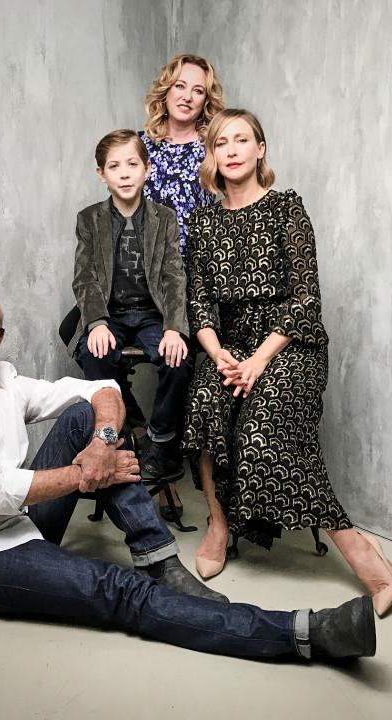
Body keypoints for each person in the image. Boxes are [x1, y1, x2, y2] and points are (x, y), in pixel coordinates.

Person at [0, 284, 377, 662]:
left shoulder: (4, 380)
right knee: (118, 591)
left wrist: (101, 444)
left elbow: (101, 388)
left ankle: (158, 557)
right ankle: (303, 634)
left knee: (87, 415)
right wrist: (89, 476)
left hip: (22, 526)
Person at [183, 109, 392, 617]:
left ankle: (362, 552)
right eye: (222, 142)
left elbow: (305, 298)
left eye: (243, 140)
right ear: (213, 156)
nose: (232, 149)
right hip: (227, 345)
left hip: (290, 345)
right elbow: (198, 303)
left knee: (263, 428)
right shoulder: (204, 219)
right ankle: (219, 523)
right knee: (205, 399)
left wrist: (259, 360)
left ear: (261, 149)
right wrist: (218, 353)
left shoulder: (287, 209)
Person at [68, 129, 193, 484]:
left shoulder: (164, 218)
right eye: (114, 166)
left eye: (132, 164)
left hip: (153, 313)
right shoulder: (89, 219)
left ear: (147, 169)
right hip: (112, 314)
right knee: (95, 356)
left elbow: (172, 276)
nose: (124, 173)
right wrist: (96, 323)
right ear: (101, 174)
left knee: (179, 359)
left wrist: (172, 327)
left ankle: (158, 440)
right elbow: (85, 277)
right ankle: (128, 426)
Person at [138, 53, 225, 519]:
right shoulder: (140, 145)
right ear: (165, 91)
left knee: (181, 356)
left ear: (206, 99)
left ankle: (160, 444)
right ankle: (138, 441)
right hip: (139, 277)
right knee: (81, 337)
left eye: (198, 90)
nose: (188, 97)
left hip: (190, 277)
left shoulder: (213, 147)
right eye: (180, 87)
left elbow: (221, 214)